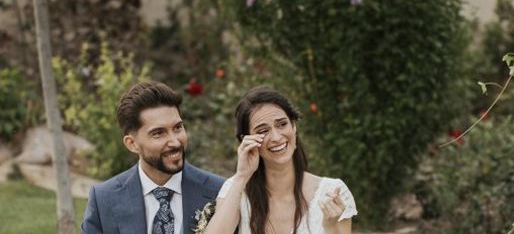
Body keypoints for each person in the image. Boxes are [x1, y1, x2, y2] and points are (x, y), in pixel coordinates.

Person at [203, 86, 357, 234]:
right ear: (247, 140)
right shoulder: (236, 189)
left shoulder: (332, 192)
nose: (276, 137)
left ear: (294, 127)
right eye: (263, 131)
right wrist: (242, 176)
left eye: (282, 124)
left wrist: (330, 228)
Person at [81, 81, 225, 234]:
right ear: (132, 144)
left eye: (178, 128)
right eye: (158, 133)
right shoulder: (104, 199)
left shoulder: (220, 191)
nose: (175, 142)